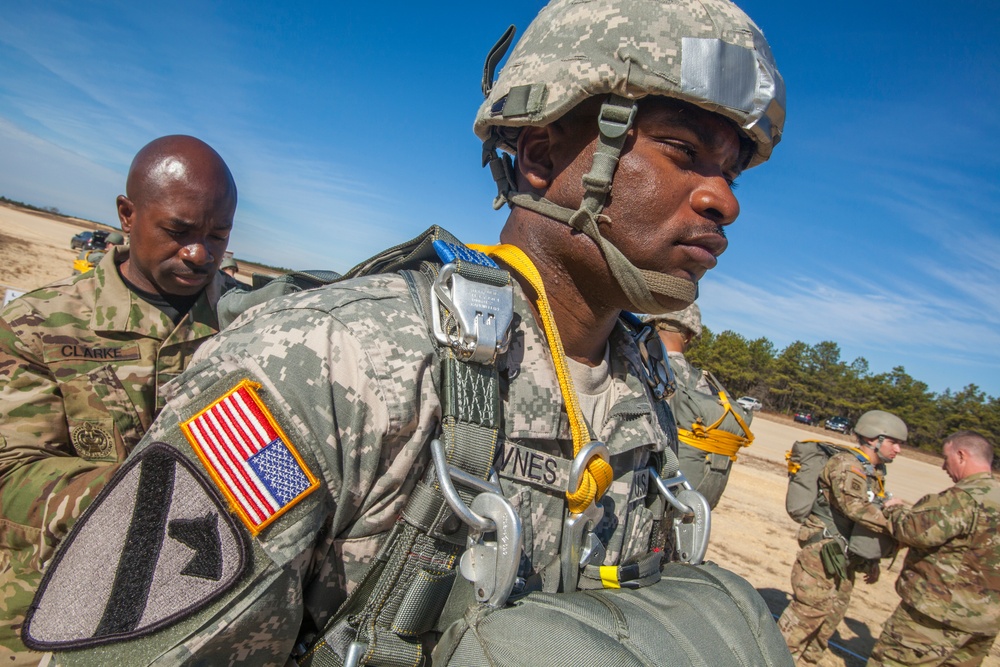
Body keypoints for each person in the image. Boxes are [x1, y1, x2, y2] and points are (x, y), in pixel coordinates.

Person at [19, 2, 788, 664]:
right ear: (542, 156)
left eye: (733, 172)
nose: (724, 200)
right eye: (683, 153)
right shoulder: (328, 363)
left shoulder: (658, 402)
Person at [0, 134, 239, 663]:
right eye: (177, 231)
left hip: (203, 615)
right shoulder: (38, 324)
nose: (199, 254)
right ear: (128, 215)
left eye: (217, 236)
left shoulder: (253, 327)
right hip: (51, 611)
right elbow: (10, 476)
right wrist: (158, 492)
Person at [778, 409, 908, 665]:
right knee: (808, 612)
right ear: (874, 439)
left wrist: (870, 560)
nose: (899, 450)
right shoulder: (846, 465)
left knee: (831, 616)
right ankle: (772, 658)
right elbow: (855, 508)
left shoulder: (872, 470)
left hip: (843, 556)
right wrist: (897, 519)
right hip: (823, 551)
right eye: (894, 443)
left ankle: (807, 661)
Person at [869, 431, 1000, 667]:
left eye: (945, 457)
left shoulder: (964, 498)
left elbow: (913, 531)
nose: (942, 466)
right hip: (984, 625)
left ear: (961, 455)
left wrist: (895, 509)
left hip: (935, 618)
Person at [644, 304, 753, 508]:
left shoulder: (639, 367)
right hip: (680, 500)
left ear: (651, 326)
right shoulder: (704, 384)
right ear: (689, 336)